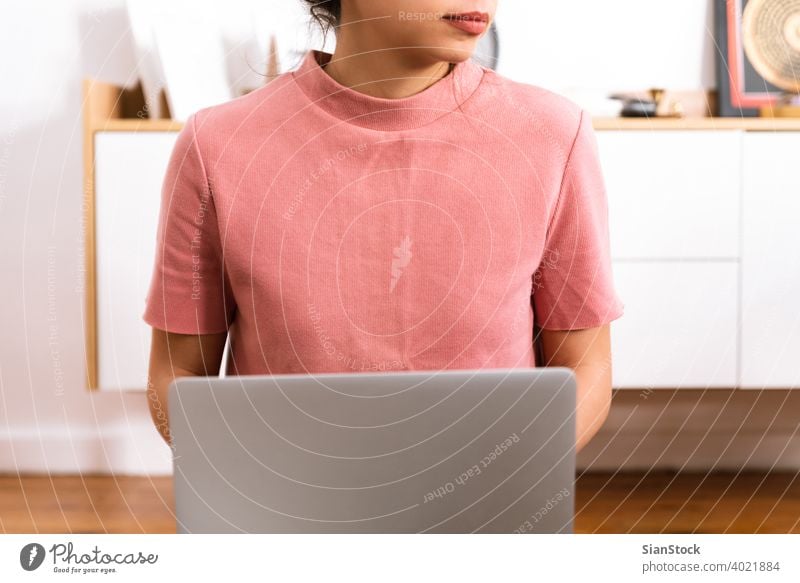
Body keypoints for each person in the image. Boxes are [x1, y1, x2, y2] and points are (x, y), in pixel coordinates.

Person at [143, 0, 624, 454]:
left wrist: (503, 470)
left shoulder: (552, 136)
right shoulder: (216, 146)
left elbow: (585, 367)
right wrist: (251, 480)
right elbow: (178, 372)